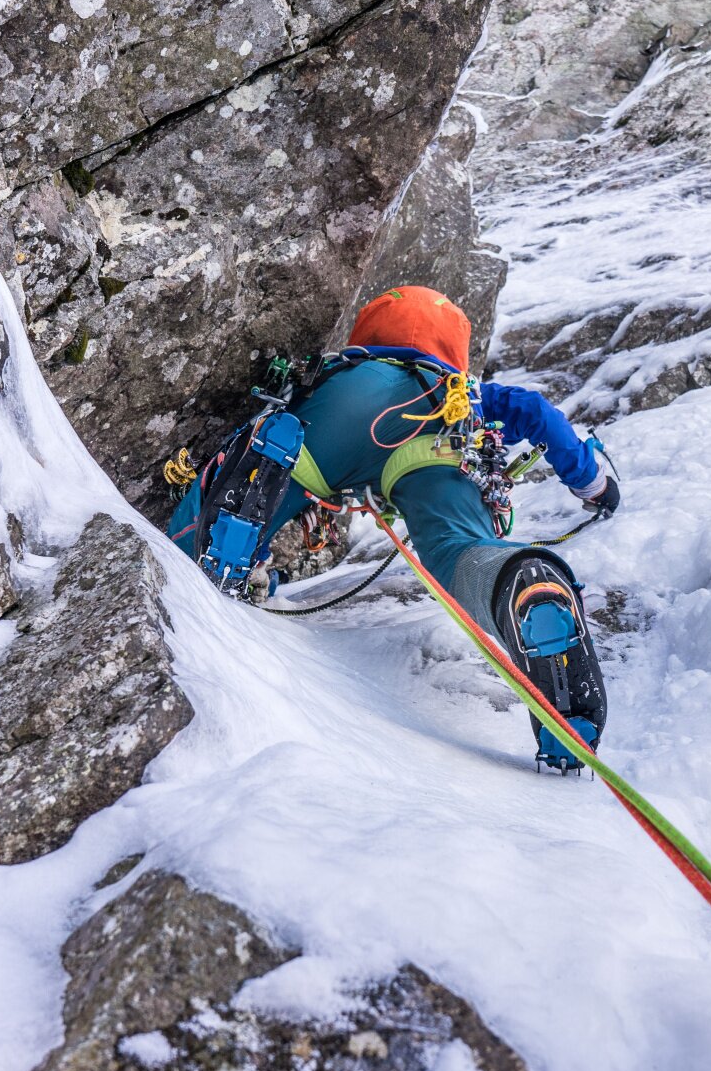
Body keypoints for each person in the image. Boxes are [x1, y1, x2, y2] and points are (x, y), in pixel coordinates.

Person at [173, 286, 621, 770]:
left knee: (272, 459)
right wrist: (593, 484)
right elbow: (538, 415)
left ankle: (193, 556)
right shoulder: (461, 388)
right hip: (438, 427)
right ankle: (515, 581)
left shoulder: (343, 369)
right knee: (459, 548)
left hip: (336, 412)